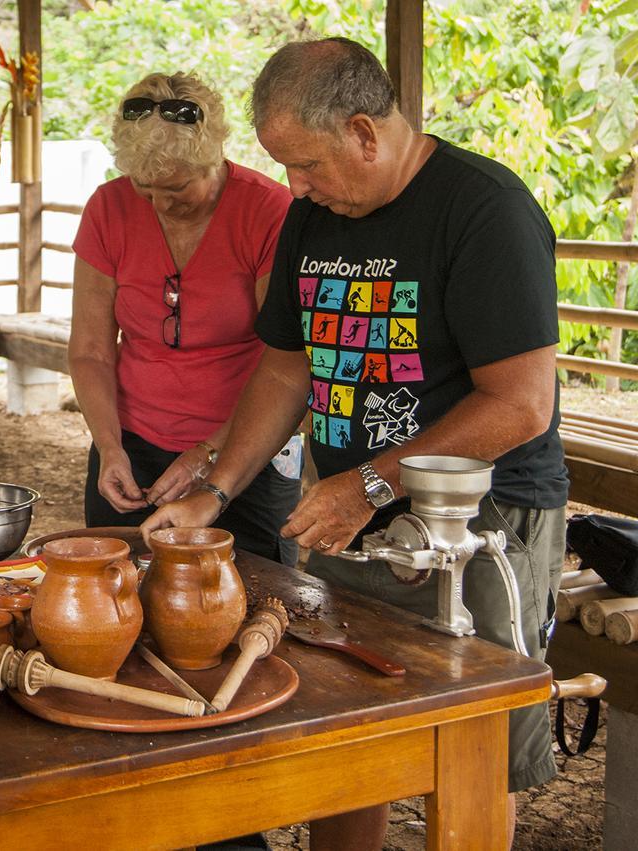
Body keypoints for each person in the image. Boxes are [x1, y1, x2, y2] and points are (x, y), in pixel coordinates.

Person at [142, 38, 567, 850]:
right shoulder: (314, 217)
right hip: (349, 512)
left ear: (366, 133)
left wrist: (368, 483)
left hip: (476, 527)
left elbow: (520, 404)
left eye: (303, 165)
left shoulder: (484, 210)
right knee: (345, 730)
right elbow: (284, 369)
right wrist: (216, 489)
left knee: (471, 744)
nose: (293, 187)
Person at [69, 71, 302, 564]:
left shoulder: (267, 211)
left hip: (245, 449)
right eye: (144, 187)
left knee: (251, 594)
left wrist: (208, 456)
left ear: (211, 159)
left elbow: (283, 362)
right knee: (118, 594)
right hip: (133, 443)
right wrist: (109, 447)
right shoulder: (108, 209)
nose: (159, 203)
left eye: (175, 188)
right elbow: (90, 350)